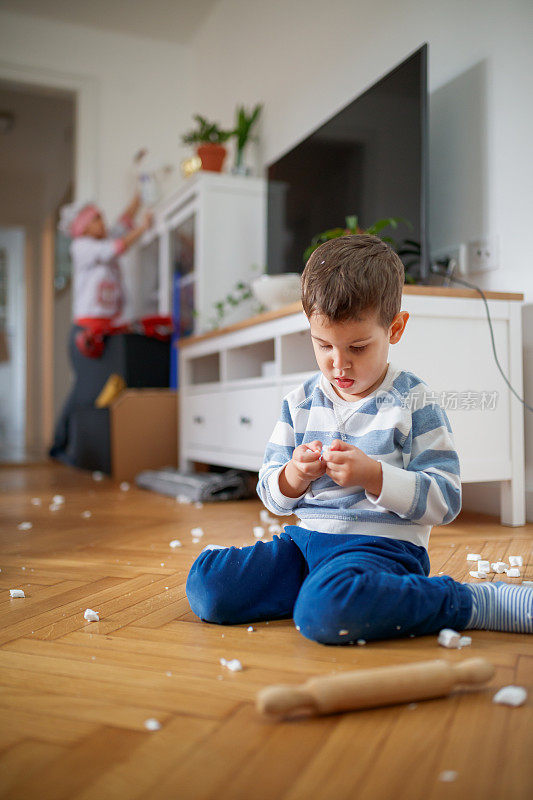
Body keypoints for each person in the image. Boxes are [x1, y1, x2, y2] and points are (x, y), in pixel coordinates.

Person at [186, 235, 532, 643]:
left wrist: (374, 476)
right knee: (208, 584)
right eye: (323, 345)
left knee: (326, 611)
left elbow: (445, 499)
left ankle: (472, 602)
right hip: (304, 546)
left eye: (358, 346)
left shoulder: (412, 400)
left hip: (381, 550)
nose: (339, 363)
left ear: (395, 328)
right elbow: (271, 495)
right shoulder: (299, 403)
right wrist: (294, 475)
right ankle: (333, 593)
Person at [49, 194, 154, 462]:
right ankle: (63, 446)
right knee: (85, 392)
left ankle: (72, 447)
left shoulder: (100, 240)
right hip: (85, 335)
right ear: (82, 227)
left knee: (93, 391)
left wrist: (138, 195)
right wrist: (144, 228)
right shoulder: (82, 247)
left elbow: (121, 225)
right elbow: (118, 246)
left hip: (104, 334)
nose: (103, 222)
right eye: (96, 218)